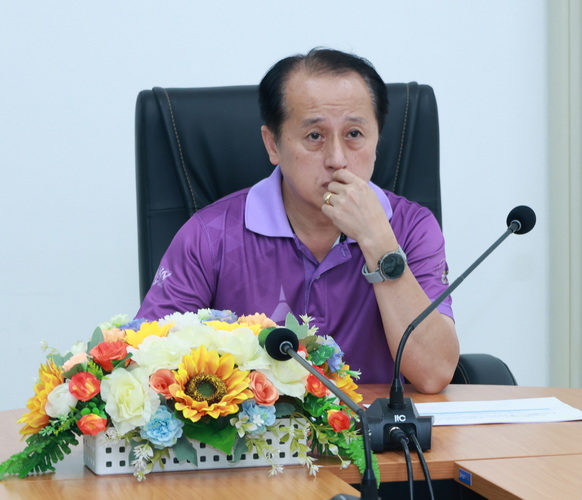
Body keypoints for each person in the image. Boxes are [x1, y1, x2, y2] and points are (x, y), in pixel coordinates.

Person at [137, 48, 459, 393]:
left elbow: (433, 374)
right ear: (272, 145)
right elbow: (146, 364)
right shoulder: (209, 235)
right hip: (259, 426)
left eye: (354, 134)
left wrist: (378, 243)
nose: (337, 159)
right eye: (315, 136)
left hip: (376, 426)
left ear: (377, 139)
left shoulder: (412, 228)